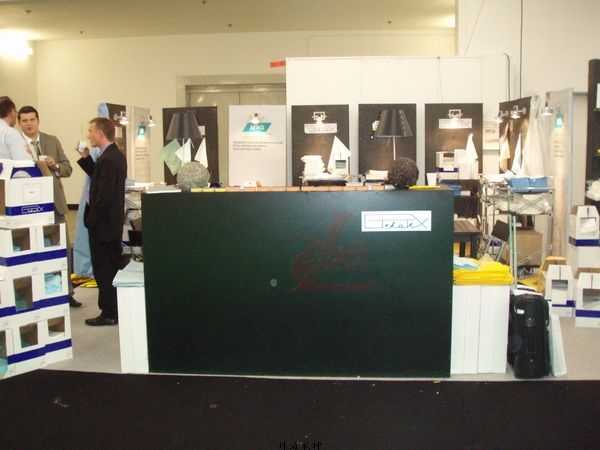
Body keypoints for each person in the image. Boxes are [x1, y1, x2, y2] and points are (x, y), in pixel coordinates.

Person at [17, 105, 82, 308]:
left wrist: (55, 166)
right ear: (19, 123)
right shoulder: (15, 144)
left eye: (32, 120)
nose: (29, 124)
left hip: (55, 204)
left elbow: (68, 169)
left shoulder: (51, 141)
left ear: (38, 121)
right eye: (24, 120)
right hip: (27, 207)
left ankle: (67, 292)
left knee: (62, 248)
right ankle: (38, 294)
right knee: (34, 250)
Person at [77, 118, 126, 326]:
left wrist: (91, 220)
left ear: (100, 133)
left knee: (104, 269)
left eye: (91, 131)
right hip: (110, 224)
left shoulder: (108, 159)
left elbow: (102, 196)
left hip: (103, 226)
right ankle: (112, 309)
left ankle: (109, 313)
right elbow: (98, 177)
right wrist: (86, 158)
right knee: (109, 267)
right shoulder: (112, 156)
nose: (88, 135)